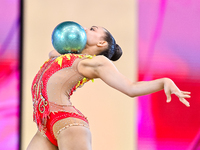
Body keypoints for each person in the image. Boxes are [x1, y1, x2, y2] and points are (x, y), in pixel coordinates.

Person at [27, 26, 191, 150]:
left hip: (68, 124)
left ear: (101, 43)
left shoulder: (97, 62)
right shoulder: (65, 57)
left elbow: (131, 88)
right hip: (44, 128)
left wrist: (163, 82)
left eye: (92, 29)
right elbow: (53, 52)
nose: (83, 29)